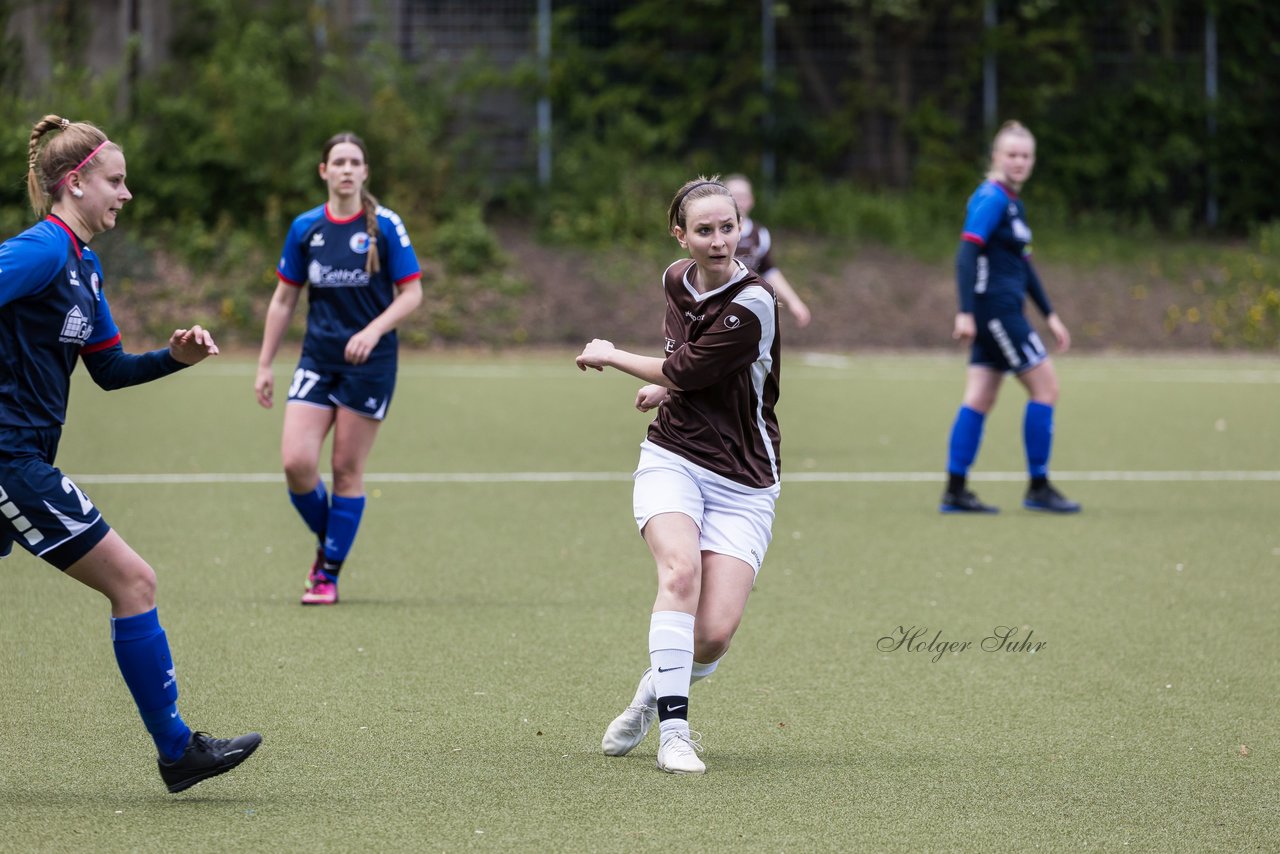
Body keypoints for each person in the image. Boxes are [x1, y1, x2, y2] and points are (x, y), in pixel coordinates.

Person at [1, 114, 261, 792]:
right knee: (134, 582)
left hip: (20, 455)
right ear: (75, 182)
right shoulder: (43, 251)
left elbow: (110, 369)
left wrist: (173, 359)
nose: (127, 193)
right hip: (9, 460)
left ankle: (178, 752)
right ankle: (178, 751)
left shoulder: (84, 268)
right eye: (116, 181)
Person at [576, 176, 782, 775]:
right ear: (681, 235)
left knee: (713, 635)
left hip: (744, 479)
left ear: (740, 229)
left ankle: (651, 693)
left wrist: (616, 356)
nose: (719, 241)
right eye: (704, 230)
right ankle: (675, 735)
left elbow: (689, 367)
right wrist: (665, 386)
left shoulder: (755, 302)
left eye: (728, 227)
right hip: (675, 457)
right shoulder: (676, 279)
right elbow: (686, 363)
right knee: (679, 571)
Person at [255, 132, 423, 605]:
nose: (347, 169)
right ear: (324, 171)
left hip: (370, 365)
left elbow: (412, 293)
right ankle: (333, 538)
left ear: (365, 172)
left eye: (355, 162)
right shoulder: (306, 228)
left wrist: (372, 331)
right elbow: (284, 298)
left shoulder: (386, 225)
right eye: (338, 162)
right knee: (296, 464)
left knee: (346, 469)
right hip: (318, 359)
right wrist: (265, 363)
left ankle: (327, 572)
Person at [941, 120, 1081, 514]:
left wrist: (1050, 314)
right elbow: (967, 252)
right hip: (997, 313)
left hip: (1000, 311)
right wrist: (966, 312)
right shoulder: (992, 198)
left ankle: (955, 490)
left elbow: (1025, 267)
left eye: (1025, 155)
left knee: (980, 396)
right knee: (1046, 388)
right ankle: (1038, 486)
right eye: (1012, 154)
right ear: (996, 157)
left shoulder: (1012, 202)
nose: (1019, 161)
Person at [723, 173, 811, 327]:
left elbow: (769, 271)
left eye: (743, 196)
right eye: (734, 195)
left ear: (751, 200)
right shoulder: (713, 234)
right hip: (717, 306)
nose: (739, 201)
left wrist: (794, 302)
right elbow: (695, 275)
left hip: (748, 308)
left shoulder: (760, 234)